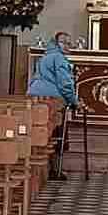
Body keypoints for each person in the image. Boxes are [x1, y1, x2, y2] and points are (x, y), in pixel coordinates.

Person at [27, 31, 78, 180]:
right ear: (57, 43)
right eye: (65, 43)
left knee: (37, 130)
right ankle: (54, 169)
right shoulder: (59, 59)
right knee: (56, 133)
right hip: (52, 99)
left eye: (70, 43)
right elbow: (65, 83)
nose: (69, 46)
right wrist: (73, 101)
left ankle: (37, 169)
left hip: (35, 95)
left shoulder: (46, 56)